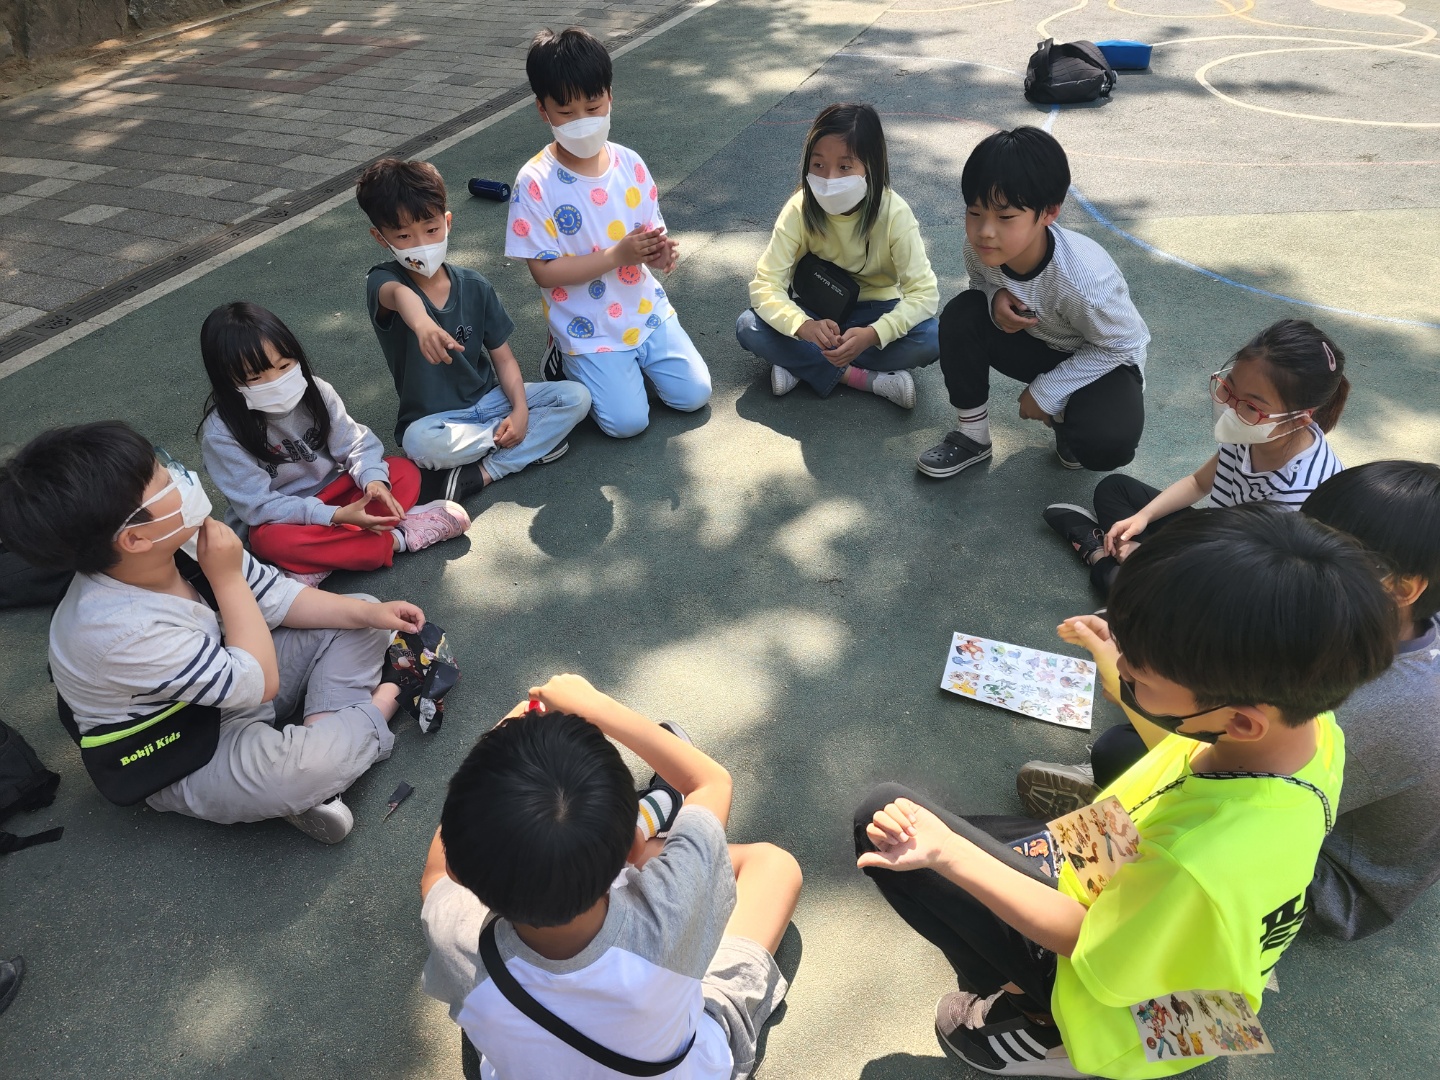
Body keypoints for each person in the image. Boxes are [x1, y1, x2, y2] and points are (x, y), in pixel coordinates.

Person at [854, 506, 1395, 1077]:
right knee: (968, 841)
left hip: (1128, 1005)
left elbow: (1086, 942)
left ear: (1240, 721)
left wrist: (947, 853)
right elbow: (1186, 749)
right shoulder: (1312, 733)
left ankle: (1044, 1023)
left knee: (891, 827)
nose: (1125, 668)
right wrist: (1120, 665)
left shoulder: (1196, 865)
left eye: (1142, 675)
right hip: (1133, 881)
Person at [0, 422, 424, 844]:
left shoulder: (177, 539)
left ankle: (323, 747)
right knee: (303, 771)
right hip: (180, 743)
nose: (181, 476)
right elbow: (261, 682)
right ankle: (378, 707)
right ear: (134, 539)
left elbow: (278, 597)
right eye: (164, 480)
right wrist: (227, 578)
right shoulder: (117, 630)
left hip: (229, 673)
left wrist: (372, 613)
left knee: (362, 616)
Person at [419, 674, 802, 1079]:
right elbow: (709, 781)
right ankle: (647, 818)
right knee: (774, 866)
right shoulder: (668, 914)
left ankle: (646, 818)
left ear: (460, 872)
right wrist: (595, 706)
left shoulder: (454, 934)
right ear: (629, 854)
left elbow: (436, 871)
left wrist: (498, 745)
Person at [506, 27, 712, 439]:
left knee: (695, 394)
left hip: (643, 309)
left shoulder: (630, 163)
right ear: (543, 111)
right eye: (566, 113)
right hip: (586, 327)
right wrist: (617, 256)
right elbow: (543, 272)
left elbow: (650, 234)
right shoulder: (535, 182)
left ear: (610, 97)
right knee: (627, 423)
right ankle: (563, 358)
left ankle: (630, 367)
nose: (582, 122)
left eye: (593, 106)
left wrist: (660, 254)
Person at [1042, 318, 1348, 593]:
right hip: (1219, 537)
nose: (1230, 408)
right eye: (1228, 388)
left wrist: (1152, 555)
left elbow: (1252, 578)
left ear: (1297, 419)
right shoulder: (1254, 431)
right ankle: (1125, 567)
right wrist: (1142, 518)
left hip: (1249, 579)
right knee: (1114, 489)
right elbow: (1198, 483)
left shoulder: (1298, 494)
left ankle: (1100, 557)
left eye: (1250, 406)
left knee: (1128, 588)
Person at [916, 127, 1149, 478]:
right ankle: (972, 435)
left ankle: (1068, 421)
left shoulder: (1083, 279)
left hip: (1104, 360)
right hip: (1040, 342)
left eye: (1005, 217)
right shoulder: (980, 249)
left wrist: (1047, 391)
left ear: (1049, 212)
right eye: (974, 212)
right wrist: (993, 298)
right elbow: (979, 285)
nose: (984, 231)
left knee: (1106, 443)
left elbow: (1123, 344)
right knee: (962, 313)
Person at [356, 158, 591, 502]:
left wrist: (520, 411)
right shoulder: (383, 280)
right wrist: (423, 325)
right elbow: (401, 296)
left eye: (431, 229)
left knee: (576, 397)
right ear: (381, 238)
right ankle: (527, 445)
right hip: (435, 421)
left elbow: (504, 359)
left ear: (447, 222)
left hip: (491, 402)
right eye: (403, 236)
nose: (421, 243)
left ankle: (484, 471)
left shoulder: (474, 285)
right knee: (419, 445)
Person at [197, 301, 469, 589]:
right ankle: (396, 540)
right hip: (283, 518)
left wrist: (373, 482)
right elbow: (258, 506)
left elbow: (355, 445)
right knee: (268, 542)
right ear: (226, 382)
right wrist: (333, 516)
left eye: (284, 366)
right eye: (255, 377)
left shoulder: (315, 390)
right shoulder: (221, 435)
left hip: (338, 492)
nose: (275, 381)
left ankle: (317, 560)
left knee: (402, 472)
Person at [1302, 462, 1440, 939]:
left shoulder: (1373, 714)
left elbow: (1248, 788)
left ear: (1401, 588)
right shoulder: (1396, 625)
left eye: (1325, 558)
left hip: (1335, 883)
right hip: (1339, 800)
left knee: (1128, 752)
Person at [735, 102, 939, 409]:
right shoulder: (800, 208)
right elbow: (765, 285)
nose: (829, 179)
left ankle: (799, 364)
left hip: (876, 312)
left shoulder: (894, 213)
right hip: (817, 314)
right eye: (818, 165)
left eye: (845, 167)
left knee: (933, 338)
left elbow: (924, 294)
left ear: (871, 166)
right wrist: (803, 326)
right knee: (748, 326)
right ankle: (864, 379)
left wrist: (874, 334)